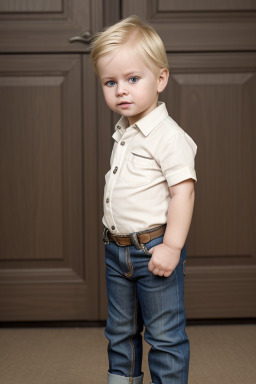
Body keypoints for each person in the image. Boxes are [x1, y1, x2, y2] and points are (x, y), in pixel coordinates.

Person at [90, 15, 197, 384]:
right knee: (119, 332)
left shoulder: (168, 136)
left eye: (133, 79)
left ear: (160, 79)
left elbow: (183, 191)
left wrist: (172, 245)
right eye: (110, 82)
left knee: (164, 335)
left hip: (154, 249)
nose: (121, 90)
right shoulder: (125, 131)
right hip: (116, 251)